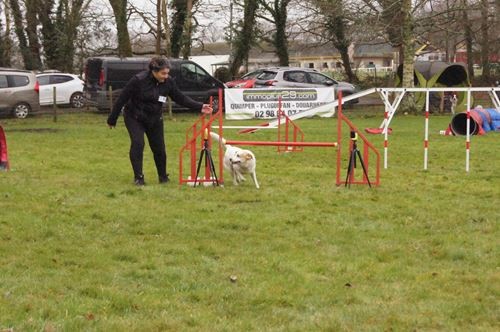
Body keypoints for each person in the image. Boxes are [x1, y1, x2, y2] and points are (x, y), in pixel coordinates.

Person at [107, 57, 212, 186]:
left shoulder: (168, 82)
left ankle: (163, 177)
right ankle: (138, 177)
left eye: (167, 73)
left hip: (155, 118)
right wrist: (112, 119)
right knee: (138, 143)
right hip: (135, 117)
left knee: (159, 148)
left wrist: (200, 106)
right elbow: (122, 98)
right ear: (154, 71)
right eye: (163, 73)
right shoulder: (138, 80)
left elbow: (180, 98)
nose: (166, 76)